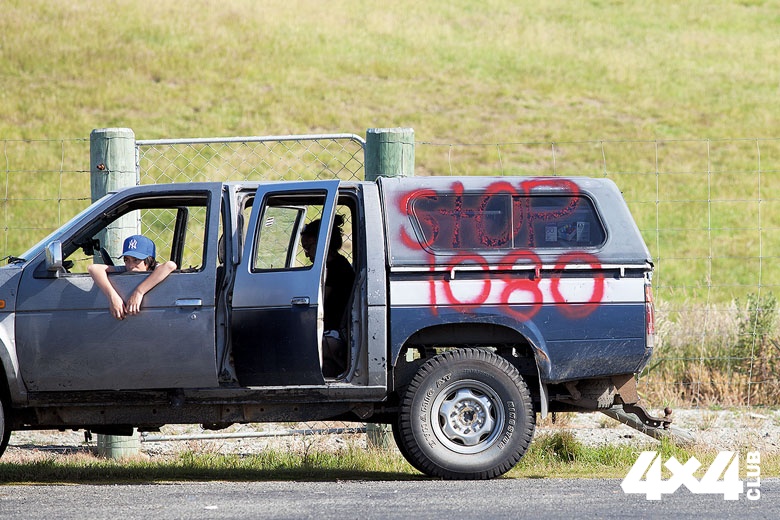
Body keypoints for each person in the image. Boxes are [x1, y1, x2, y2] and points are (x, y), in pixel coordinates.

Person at [300, 214, 355, 377]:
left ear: (321, 243)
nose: (306, 255)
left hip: (334, 331)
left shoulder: (335, 268)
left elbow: (318, 301)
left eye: (307, 247)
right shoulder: (337, 264)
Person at [88, 234, 177, 321]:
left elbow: (170, 265)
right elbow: (93, 268)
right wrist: (113, 297)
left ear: (149, 260)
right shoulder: (126, 269)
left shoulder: (155, 269)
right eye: (126, 260)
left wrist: (139, 292)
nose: (130, 266)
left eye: (136, 260)